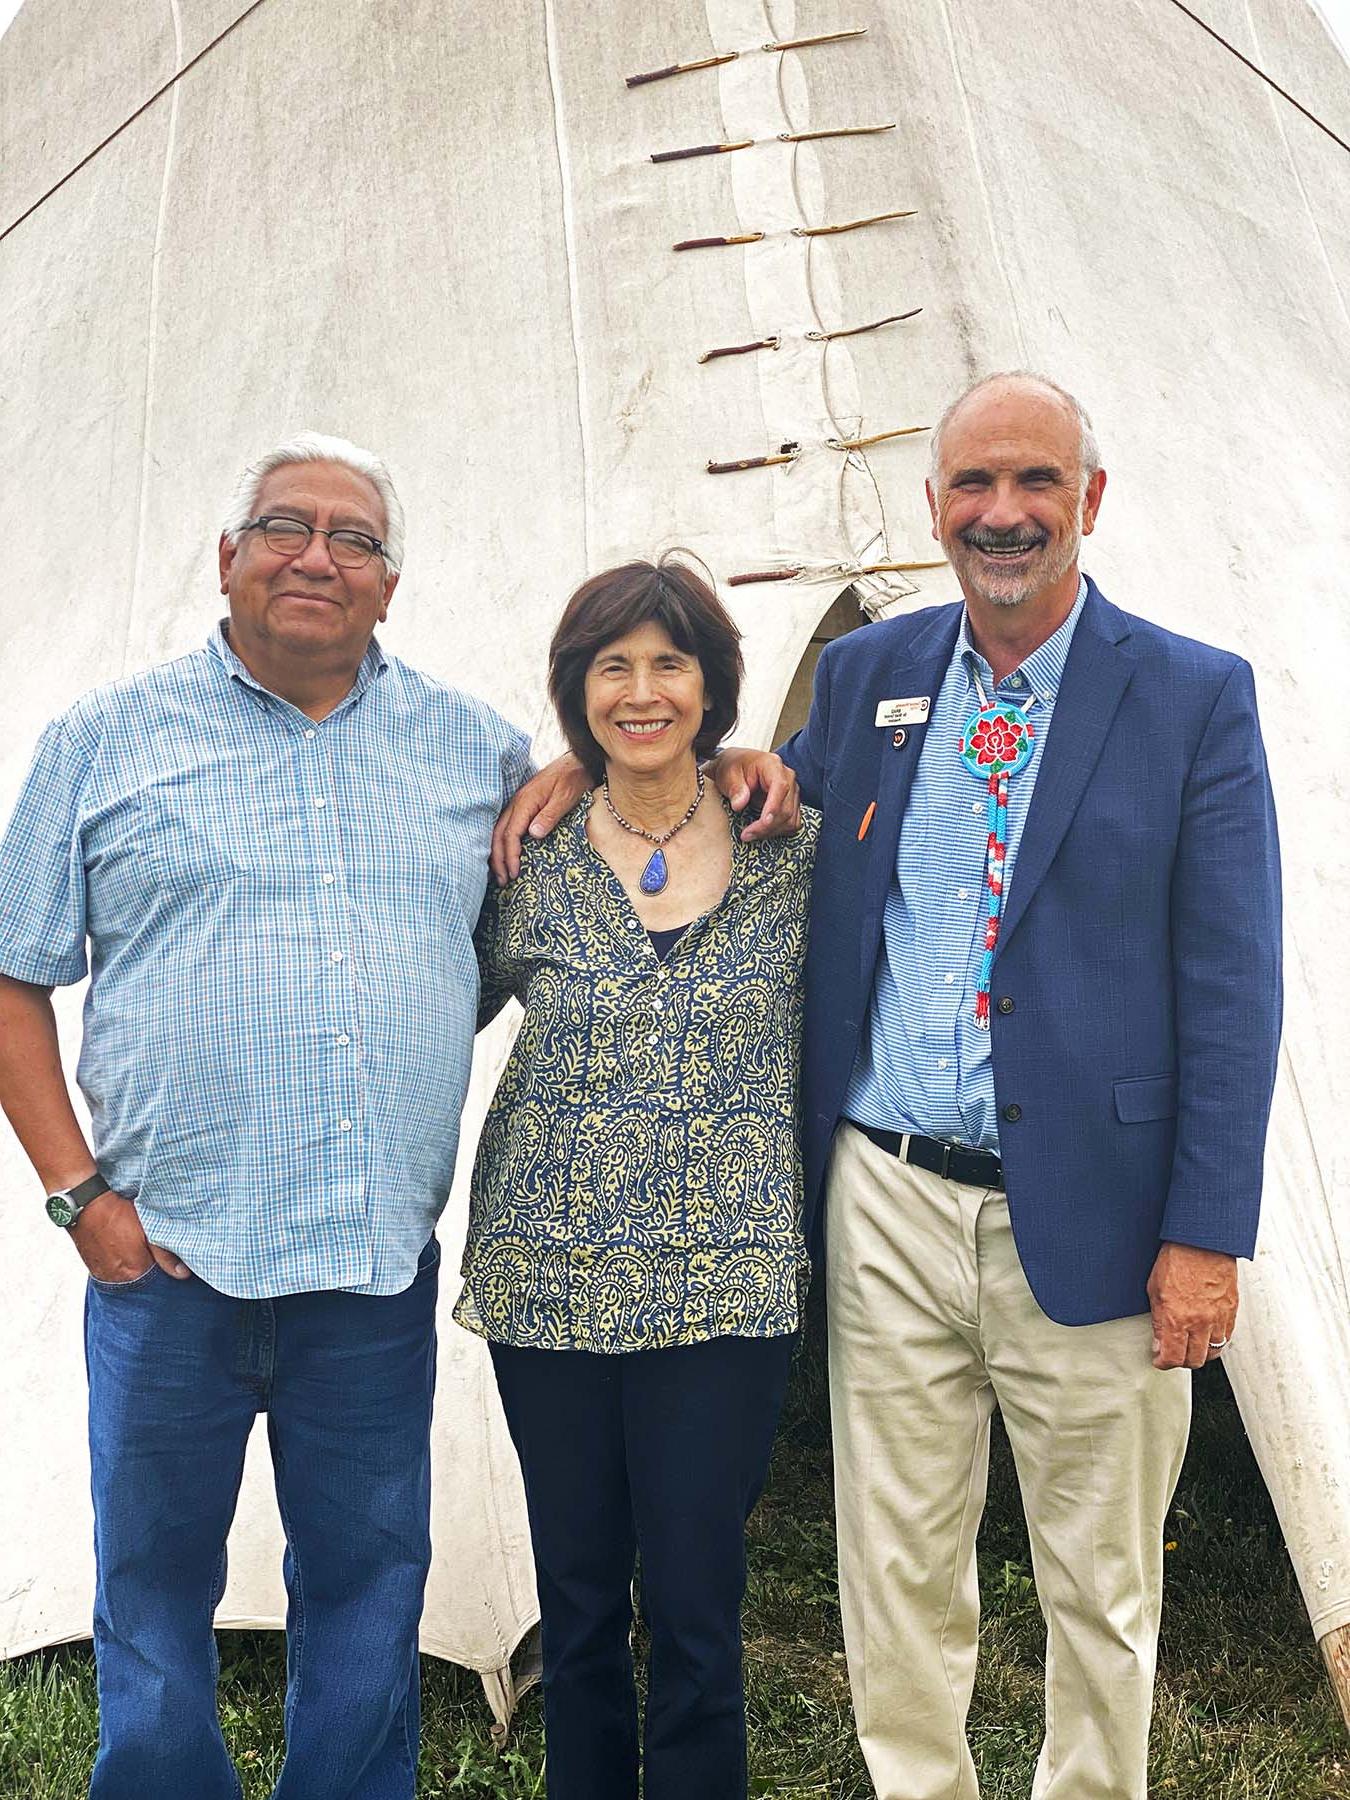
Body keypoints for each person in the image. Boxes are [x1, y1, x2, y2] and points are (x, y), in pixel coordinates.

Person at [493, 373, 1283, 1799]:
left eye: (1034, 483)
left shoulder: (1188, 697)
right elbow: (739, 799)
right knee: (896, 1561)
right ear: (932, 510)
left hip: (1099, 1215)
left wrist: (1203, 1234)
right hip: (886, 1198)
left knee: (1097, 1578)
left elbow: (1233, 986)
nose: (1001, 513)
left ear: (1087, 502)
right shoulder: (871, 678)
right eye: (973, 486)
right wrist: (584, 764)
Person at [0, 431, 531, 1800]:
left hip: (365, 1273)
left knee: (367, 1581)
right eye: (285, 526)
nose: (318, 554)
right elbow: (13, 979)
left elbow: (520, 933)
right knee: (152, 1580)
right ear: (225, 559)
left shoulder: (478, 754)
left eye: (354, 536)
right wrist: (78, 1200)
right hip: (164, 1259)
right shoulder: (104, 739)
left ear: (392, 584)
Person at [459, 556, 818, 1800]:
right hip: (545, 1271)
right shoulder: (527, 850)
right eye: (613, 666)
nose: (643, 690)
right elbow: (434, 1005)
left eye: (670, 662)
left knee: (696, 1596)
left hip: (730, 1280)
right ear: (577, 692)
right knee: (576, 1596)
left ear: (715, 685)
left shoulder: (794, 848)